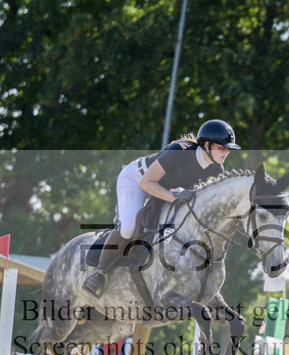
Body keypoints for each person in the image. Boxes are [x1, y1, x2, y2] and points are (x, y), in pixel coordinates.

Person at [82, 119, 241, 297]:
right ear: (206, 144)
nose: (226, 152)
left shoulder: (216, 170)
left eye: (228, 148)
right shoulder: (178, 152)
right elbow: (146, 183)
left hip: (165, 190)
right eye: (222, 147)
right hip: (137, 180)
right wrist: (173, 197)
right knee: (128, 228)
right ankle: (100, 272)